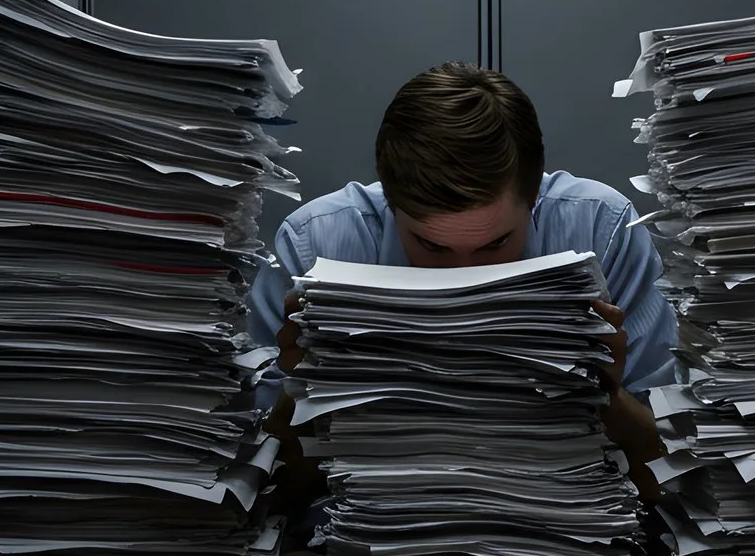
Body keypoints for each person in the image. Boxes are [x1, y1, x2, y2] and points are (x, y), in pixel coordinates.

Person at [249, 61, 675, 498]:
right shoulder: (313, 244)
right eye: (432, 247)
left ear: (534, 201)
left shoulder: (602, 231)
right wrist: (300, 393)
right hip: (372, 541)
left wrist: (606, 396)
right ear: (391, 204)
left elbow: (675, 471)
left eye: (495, 244)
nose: (464, 280)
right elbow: (257, 490)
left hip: (562, 533)